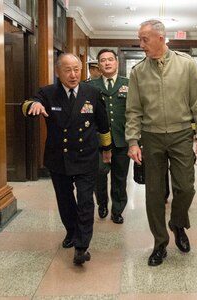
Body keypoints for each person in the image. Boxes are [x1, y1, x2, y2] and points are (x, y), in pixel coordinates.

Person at [125, 19, 197, 267]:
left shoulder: (186, 64)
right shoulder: (138, 72)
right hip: (151, 137)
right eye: (140, 39)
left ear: (161, 38)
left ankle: (178, 223)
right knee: (154, 193)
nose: (141, 45)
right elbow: (133, 111)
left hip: (181, 134)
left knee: (185, 188)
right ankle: (160, 243)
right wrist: (132, 141)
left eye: (145, 39)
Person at [21, 53, 112, 265]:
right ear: (57, 72)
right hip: (58, 158)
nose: (73, 75)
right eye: (67, 70)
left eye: (77, 70)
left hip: (86, 156)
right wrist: (32, 106)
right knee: (65, 200)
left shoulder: (92, 92)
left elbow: (103, 122)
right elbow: (27, 104)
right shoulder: (48, 92)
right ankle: (71, 231)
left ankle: (82, 246)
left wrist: (106, 148)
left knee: (85, 200)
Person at [87, 49, 130, 224]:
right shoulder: (90, 86)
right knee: (99, 174)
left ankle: (118, 210)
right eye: (103, 60)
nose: (107, 63)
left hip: (122, 139)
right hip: (98, 140)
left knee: (120, 177)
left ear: (116, 63)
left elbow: (135, 111)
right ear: (99, 65)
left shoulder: (128, 83)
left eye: (110, 59)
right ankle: (102, 203)